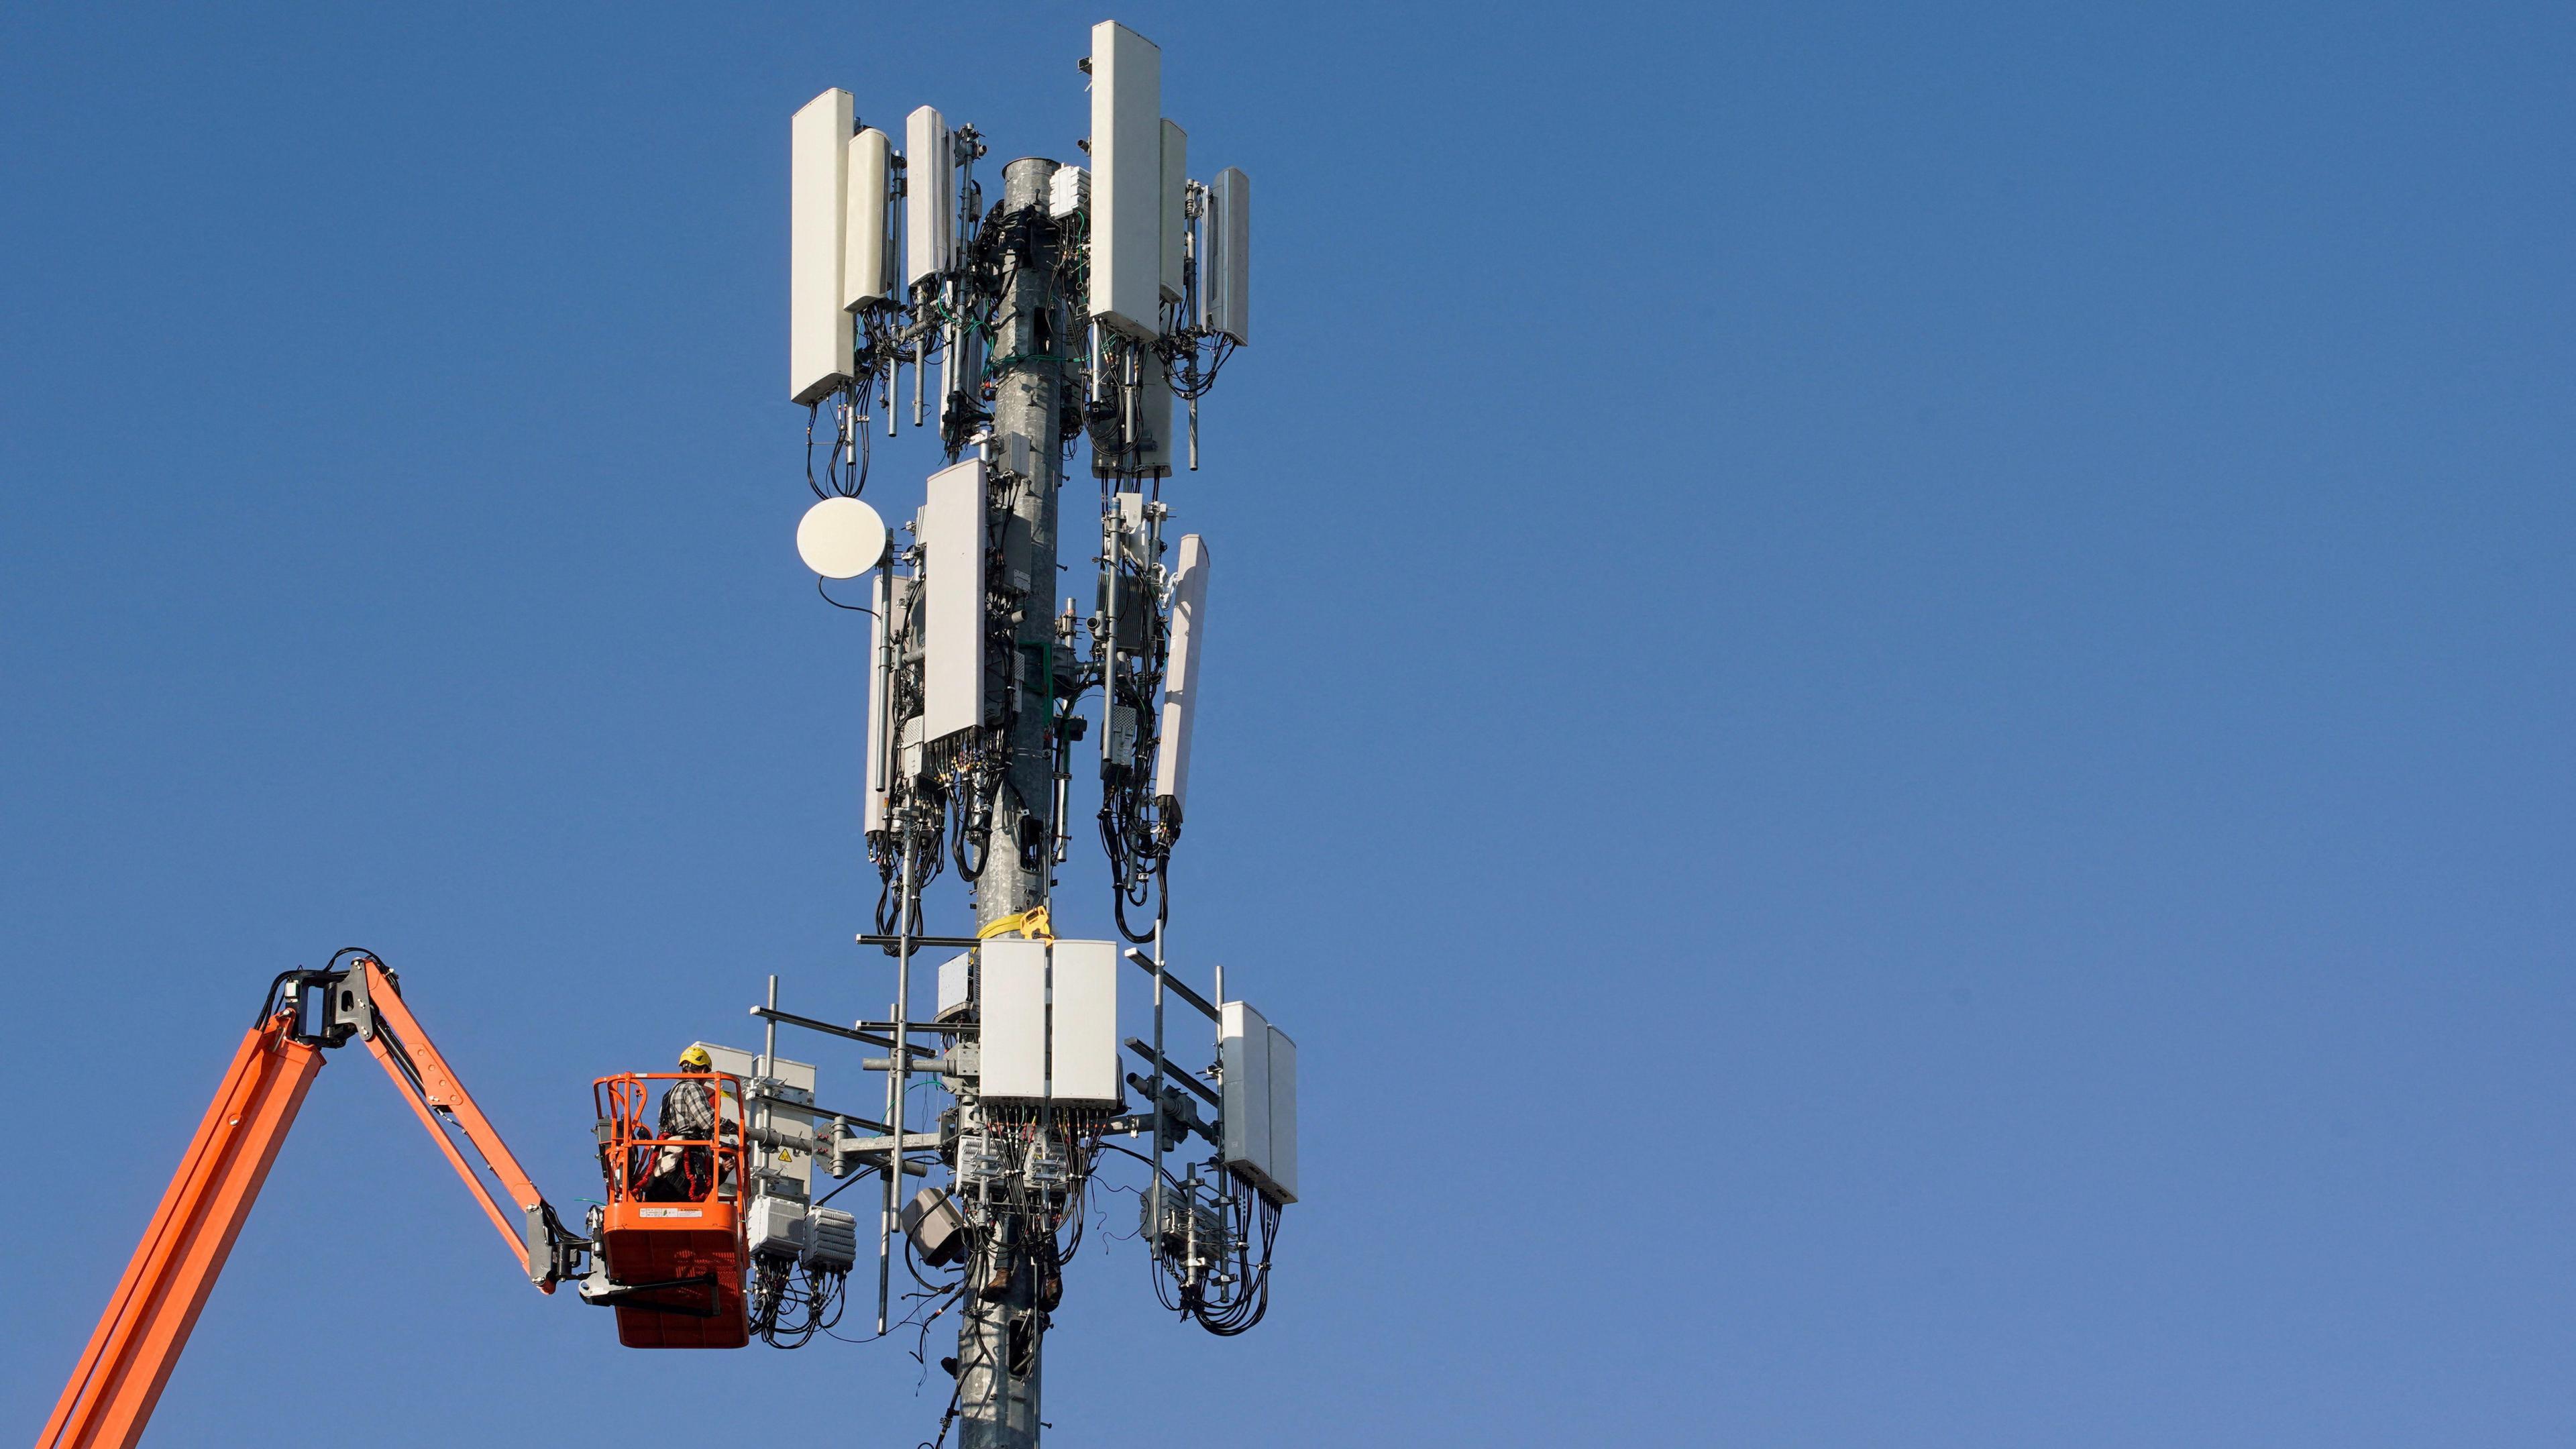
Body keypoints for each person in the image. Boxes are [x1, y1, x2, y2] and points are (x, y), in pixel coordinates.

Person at [649, 1046, 735, 1201]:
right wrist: (738, 1129)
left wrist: (722, 1169)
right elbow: (709, 1121)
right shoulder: (693, 1087)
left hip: (666, 1168)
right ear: (703, 1071)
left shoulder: (668, 1095)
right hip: (685, 1167)